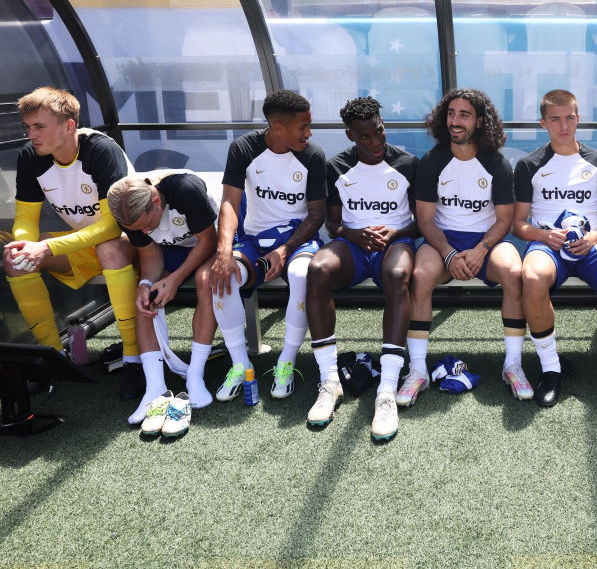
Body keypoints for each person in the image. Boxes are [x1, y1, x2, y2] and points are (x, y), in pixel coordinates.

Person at [513, 89, 597, 408]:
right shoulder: (528, 164)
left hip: (592, 247)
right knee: (532, 278)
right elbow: (517, 224)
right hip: (548, 247)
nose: (564, 126)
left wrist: (595, 236)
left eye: (570, 118)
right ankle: (551, 369)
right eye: (555, 119)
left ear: (578, 118)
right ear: (543, 123)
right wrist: (544, 236)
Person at [400, 88, 527, 429]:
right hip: (444, 243)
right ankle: (417, 370)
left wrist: (481, 249)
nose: (455, 121)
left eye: (464, 115)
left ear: (480, 121)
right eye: (451, 114)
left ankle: (513, 366)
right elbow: (425, 221)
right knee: (420, 277)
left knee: (514, 273)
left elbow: (504, 219)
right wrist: (449, 253)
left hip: (485, 243)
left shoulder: (496, 162)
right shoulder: (432, 161)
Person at [3, 87, 141, 399]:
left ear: (68, 126)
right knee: (14, 259)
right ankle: (53, 360)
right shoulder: (31, 157)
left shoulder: (99, 150)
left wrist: (48, 248)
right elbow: (25, 219)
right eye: (28, 127)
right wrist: (25, 245)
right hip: (82, 245)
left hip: (133, 244)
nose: (31, 135)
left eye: (39, 126)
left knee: (109, 246)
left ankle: (134, 359)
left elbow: (111, 226)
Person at [203, 90, 326, 403]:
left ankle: (286, 360)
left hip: (299, 241)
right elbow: (230, 203)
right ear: (278, 126)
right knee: (223, 276)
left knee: (301, 275)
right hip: (254, 241)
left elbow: (315, 216)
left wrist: (284, 250)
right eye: (303, 127)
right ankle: (241, 365)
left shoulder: (312, 155)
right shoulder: (244, 147)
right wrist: (224, 252)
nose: (309, 133)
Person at [305, 97, 418, 436]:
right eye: (365, 137)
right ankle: (329, 381)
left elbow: (423, 222)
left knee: (398, 275)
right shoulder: (337, 166)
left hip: (395, 244)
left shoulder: (409, 163)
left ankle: (386, 389)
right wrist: (355, 234)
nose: (375, 142)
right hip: (354, 247)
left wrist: (395, 231)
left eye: (379, 133)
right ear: (350, 135)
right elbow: (333, 226)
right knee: (318, 268)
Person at [107, 171, 219, 435]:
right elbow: (149, 252)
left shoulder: (185, 190)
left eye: (147, 224)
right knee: (146, 298)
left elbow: (209, 240)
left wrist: (176, 279)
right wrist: (146, 283)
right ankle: (155, 386)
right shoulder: (126, 211)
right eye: (138, 230)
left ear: (156, 200)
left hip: (213, 243)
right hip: (175, 250)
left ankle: (195, 375)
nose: (145, 231)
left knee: (206, 281)